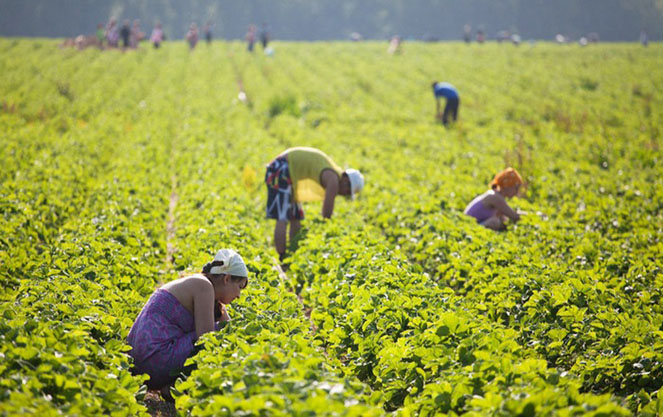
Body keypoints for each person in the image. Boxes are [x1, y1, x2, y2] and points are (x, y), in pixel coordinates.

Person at [127, 249, 249, 400]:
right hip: (154, 360)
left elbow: (227, 323)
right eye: (239, 287)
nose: (238, 295)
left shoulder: (200, 284)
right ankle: (184, 386)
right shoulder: (203, 286)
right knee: (219, 334)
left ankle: (173, 387)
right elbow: (208, 337)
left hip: (137, 364)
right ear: (227, 278)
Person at [264, 147, 364, 262]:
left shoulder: (332, 173)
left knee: (295, 215)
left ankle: (292, 254)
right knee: (283, 216)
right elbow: (327, 211)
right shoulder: (334, 180)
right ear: (346, 180)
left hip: (288, 171)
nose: (343, 194)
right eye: (347, 191)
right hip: (281, 168)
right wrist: (326, 229)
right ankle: (282, 256)